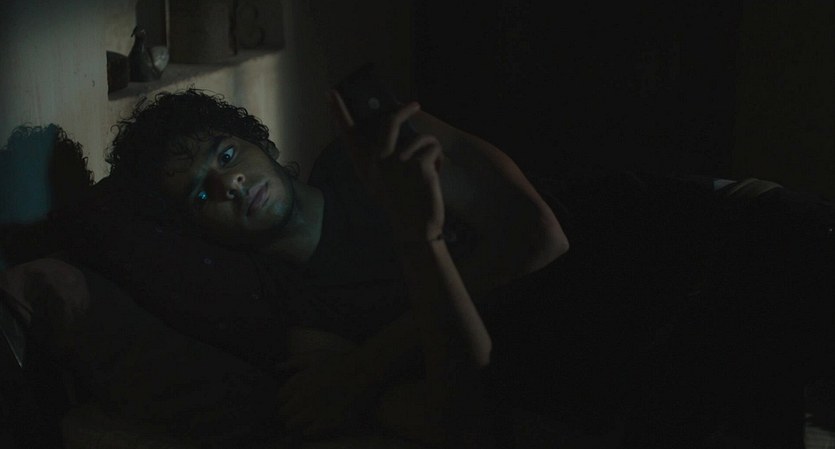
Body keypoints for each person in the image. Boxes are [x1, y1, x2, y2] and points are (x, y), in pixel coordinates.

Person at [71, 87, 833, 449]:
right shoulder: (309, 319)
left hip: (705, 238)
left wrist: (376, 350)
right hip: (659, 352)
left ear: (260, 144)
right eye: (201, 190)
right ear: (194, 229)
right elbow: (458, 416)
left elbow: (539, 235)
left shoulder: (360, 156)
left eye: (226, 154)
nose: (230, 182)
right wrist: (412, 280)